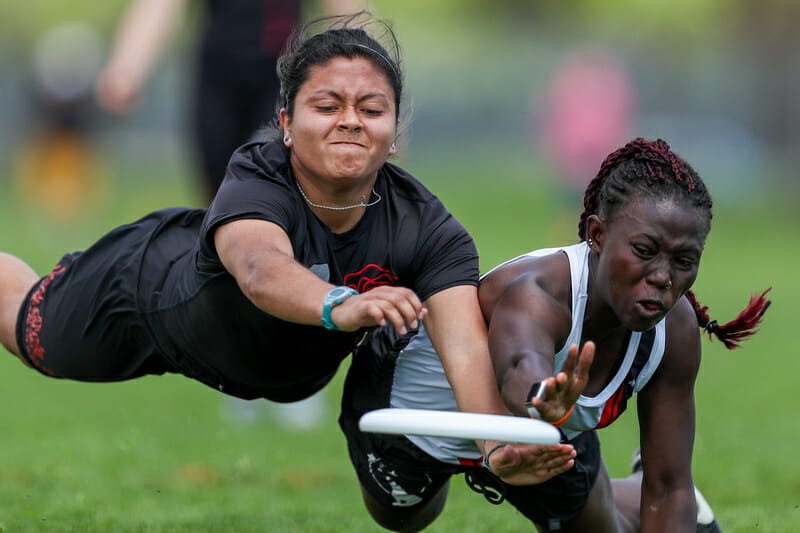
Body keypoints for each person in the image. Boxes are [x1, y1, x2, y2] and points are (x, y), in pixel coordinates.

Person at [0, 12, 515, 473]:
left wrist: (500, 449)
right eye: (328, 105)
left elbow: (466, 349)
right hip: (144, 295)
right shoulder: (257, 175)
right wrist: (342, 304)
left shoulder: (430, 230)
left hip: (282, 374)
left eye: (372, 109)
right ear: (286, 124)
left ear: (395, 132)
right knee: (30, 333)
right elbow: (259, 269)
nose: (352, 120)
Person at [339, 137, 771, 532]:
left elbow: (670, 486)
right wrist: (543, 396)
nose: (662, 277)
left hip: (540, 434)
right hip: (413, 415)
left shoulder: (674, 330)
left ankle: (627, 495)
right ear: (596, 234)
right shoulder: (536, 290)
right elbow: (519, 371)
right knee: (404, 518)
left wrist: (544, 413)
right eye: (644, 251)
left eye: (684, 260)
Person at [97, 0, 359, 202]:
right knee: (218, 190)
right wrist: (127, 67)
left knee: (273, 183)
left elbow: (344, 10)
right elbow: (160, 6)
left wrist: (366, 82)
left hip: (281, 79)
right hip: (217, 79)